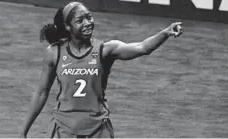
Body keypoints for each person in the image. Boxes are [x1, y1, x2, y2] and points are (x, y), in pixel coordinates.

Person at [20, 1, 183, 138]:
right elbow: (41, 92)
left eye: (89, 17)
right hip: (63, 130)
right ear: (68, 27)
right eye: (80, 20)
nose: (87, 23)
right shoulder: (54, 53)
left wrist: (165, 33)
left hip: (98, 130)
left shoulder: (105, 50)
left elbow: (142, 47)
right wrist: (23, 133)